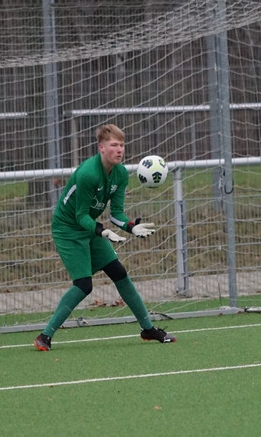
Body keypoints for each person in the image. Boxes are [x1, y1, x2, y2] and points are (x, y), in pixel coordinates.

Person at [34, 123, 175, 351]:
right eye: (114, 145)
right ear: (101, 147)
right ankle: (45, 335)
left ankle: (148, 329)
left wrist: (130, 227)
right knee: (84, 285)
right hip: (67, 229)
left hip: (90, 227)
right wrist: (103, 231)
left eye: (122, 145)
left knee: (119, 272)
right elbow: (80, 215)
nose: (119, 150)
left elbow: (116, 213)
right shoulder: (88, 174)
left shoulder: (120, 173)